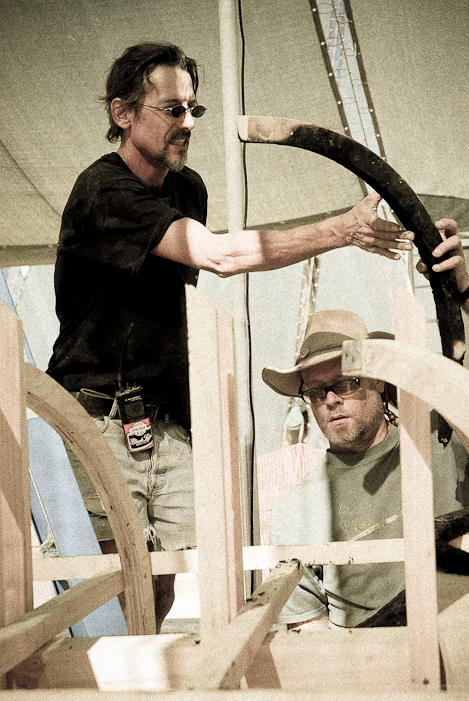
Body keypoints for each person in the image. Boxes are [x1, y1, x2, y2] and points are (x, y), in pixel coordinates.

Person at [46, 41, 415, 631]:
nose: (188, 122)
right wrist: (341, 229)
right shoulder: (102, 191)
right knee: (127, 580)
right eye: (172, 109)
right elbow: (217, 255)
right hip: (100, 417)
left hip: (166, 415)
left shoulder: (186, 188)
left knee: (205, 564)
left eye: (195, 109)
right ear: (123, 113)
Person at [263, 225, 469, 629]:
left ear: (379, 381)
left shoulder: (443, 435)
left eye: (347, 382)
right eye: (317, 391)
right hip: (378, 661)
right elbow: (313, 640)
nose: (331, 400)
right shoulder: (296, 511)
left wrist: (464, 292)